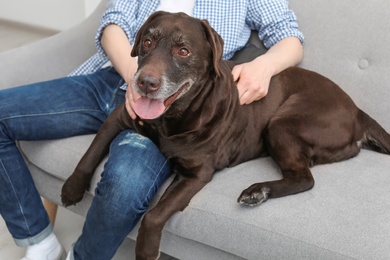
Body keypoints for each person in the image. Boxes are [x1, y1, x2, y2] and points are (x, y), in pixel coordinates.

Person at [0, 0, 304, 259]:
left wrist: (264, 66)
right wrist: (136, 75)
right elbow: (112, 24)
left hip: (177, 108)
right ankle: (39, 241)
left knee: (125, 186)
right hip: (110, 78)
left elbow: (289, 37)